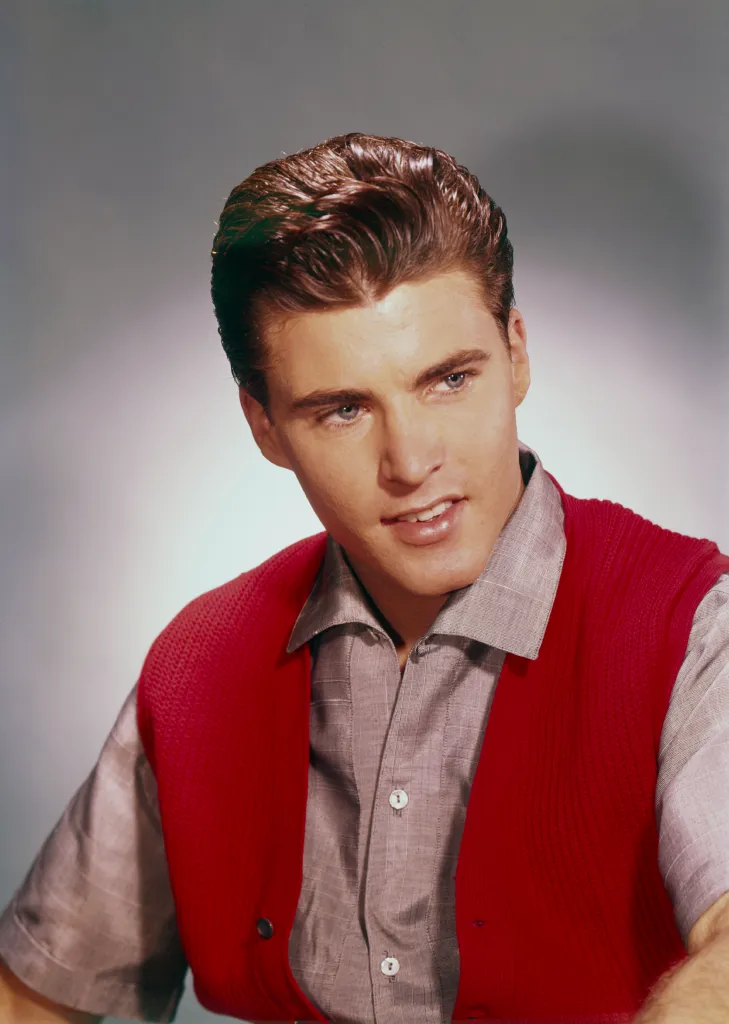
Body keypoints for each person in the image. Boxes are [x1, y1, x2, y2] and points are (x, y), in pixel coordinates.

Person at [0, 132, 728, 1024]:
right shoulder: (199, 664)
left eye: (448, 380)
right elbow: (35, 996)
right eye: (343, 409)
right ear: (263, 426)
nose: (411, 460)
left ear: (517, 355)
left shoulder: (690, 620)